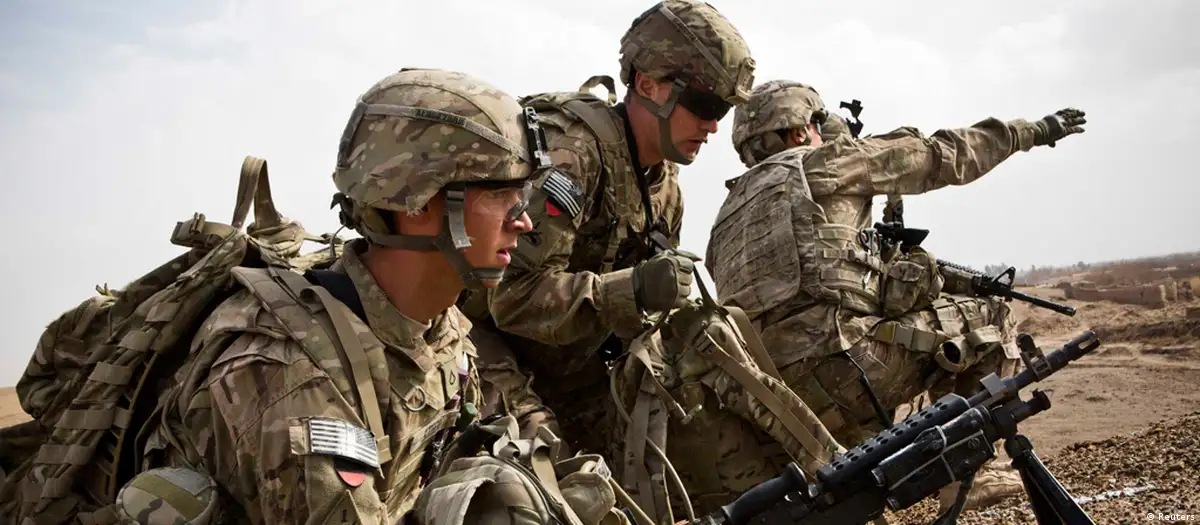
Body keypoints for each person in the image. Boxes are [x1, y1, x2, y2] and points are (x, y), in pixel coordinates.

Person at [121, 68, 542, 524]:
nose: (524, 221)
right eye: (500, 195)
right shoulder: (291, 376)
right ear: (418, 203)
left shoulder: (441, 328)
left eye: (522, 196)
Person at [706, 79, 1086, 511]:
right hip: (848, 365)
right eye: (817, 123)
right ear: (798, 132)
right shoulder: (825, 162)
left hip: (778, 405)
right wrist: (1031, 131)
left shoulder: (725, 219)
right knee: (992, 317)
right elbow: (943, 153)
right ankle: (974, 477)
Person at [458, 0, 757, 463]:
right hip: (480, 341)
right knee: (548, 465)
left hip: (570, 364)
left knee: (686, 447)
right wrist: (630, 291)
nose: (714, 125)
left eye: (725, 109)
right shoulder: (573, 154)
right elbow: (509, 296)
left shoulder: (666, 191)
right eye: (705, 104)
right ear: (648, 84)